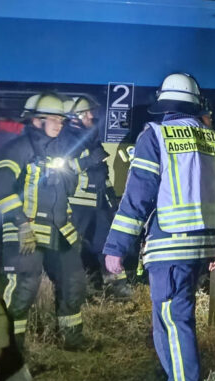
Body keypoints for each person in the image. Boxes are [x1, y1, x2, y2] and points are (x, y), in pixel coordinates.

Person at [103, 73, 215, 381]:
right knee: (168, 321)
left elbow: (138, 195)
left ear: (165, 104)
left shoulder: (156, 135)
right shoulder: (214, 140)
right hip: (204, 243)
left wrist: (117, 246)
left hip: (171, 243)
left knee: (174, 321)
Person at [0, 93, 88, 352]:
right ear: (36, 120)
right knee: (24, 287)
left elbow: (70, 189)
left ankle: (73, 342)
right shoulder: (16, 149)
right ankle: (10, 351)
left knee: (73, 282)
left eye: (61, 119)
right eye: (53, 118)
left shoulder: (60, 151)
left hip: (60, 233)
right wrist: (21, 225)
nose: (59, 123)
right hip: (26, 231)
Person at [62, 96, 131, 299]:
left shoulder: (90, 136)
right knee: (74, 248)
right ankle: (77, 289)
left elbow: (102, 173)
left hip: (98, 202)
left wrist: (111, 198)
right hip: (77, 203)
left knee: (107, 244)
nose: (92, 116)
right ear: (74, 117)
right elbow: (60, 168)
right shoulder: (64, 138)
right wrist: (87, 161)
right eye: (87, 112)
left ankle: (117, 289)